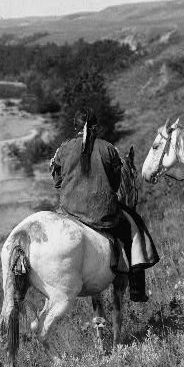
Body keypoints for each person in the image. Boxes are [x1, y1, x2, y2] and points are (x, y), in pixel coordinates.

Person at [49, 108, 156, 302]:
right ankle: (137, 289)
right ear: (96, 127)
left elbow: (57, 182)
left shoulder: (63, 149)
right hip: (102, 214)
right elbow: (116, 185)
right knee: (133, 228)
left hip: (69, 211)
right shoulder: (108, 149)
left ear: (76, 127)